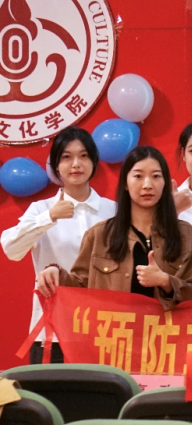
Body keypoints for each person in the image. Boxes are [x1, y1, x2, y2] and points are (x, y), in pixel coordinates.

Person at [35, 146, 192, 309]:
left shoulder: (188, 236)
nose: (147, 184)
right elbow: (80, 288)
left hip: (165, 329)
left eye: (156, 176)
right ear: (125, 183)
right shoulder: (99, 235)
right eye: (138, 176)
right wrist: (56, 272)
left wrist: (166, 282)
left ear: (165, 183)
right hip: (113, 328)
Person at [2, 127, 117, 363]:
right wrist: (49, 217)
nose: (76, 164)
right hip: (52, 330)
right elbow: (11, 248)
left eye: (83, 156)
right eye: (66, 157)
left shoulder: (112, 210)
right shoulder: (42, 209)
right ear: (56, 165)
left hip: (103, 328)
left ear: (94, 162)